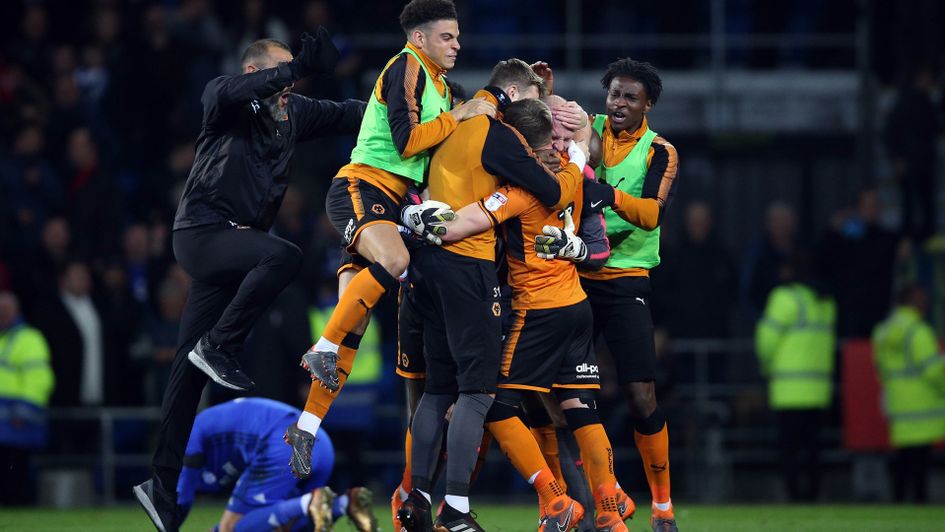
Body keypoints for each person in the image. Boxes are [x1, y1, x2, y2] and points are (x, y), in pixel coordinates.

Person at [133, 29, 366, 532]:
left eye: (292, 73)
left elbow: (351, 112)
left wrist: (416, 107)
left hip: (234, 249)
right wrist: (297, 66)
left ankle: (161, 484)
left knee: (186, 370)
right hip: (202, 234)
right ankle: (221, 345)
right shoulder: (226, 99)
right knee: (284, 256)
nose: (289, 84)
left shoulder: (293, 113)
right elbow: (228, 93)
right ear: (253, 72)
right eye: (279, 73)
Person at [426, 98, 653, 531]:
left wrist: (419, 219)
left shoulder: (518, 191)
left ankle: (554, 500)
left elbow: (465, 222)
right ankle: (609, 503)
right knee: (579, 405)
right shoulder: (573, 175)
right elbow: (589, 208)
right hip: (577, 308)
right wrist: (579, 142)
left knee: (491, 403)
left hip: (537, 311)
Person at [289, 0, 496, 476]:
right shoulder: (407, 66)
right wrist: (463, 113)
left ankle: (306, 425)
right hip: (364, 188)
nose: (457, 44)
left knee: (354, 327)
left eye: (458, 36)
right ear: (419, 38)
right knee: (397, 261)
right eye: (447, 36)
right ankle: (320, 347)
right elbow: (406, 141)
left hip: (391, 202)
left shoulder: (441, 85)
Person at [396, 61, 586, 532]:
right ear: (517, 93)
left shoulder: (456, 118)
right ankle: (456, 509)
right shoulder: (500, 136)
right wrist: (578, 156)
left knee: (436, 391)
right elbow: (550, 189)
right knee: (478, 393)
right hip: (468, 271)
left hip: (428, 266)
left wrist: (414, 220)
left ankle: (416, 499)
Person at [577, 58, 680, 532]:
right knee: (563, 396)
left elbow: (652, 214)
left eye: (630, 97)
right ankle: (606, 495)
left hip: (625, 281)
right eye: (614, 94)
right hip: (574, 279)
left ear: (648, 104)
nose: (618, 104)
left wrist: (607, 196)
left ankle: (662, 507)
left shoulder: (660, 151)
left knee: (641, 396)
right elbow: (544, 114)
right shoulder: (587, 128)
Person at [176, 397, 377, 532]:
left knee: (230, 527)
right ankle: (344, 504)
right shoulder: (212, 424)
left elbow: (182, 496)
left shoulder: (190, 432)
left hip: (284, 443)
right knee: (298, 521)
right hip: (321, 443)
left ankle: (309, 501)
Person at [755, 253, 836, 502]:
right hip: (818, 389)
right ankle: (812, 495)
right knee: (813, 449)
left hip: (788, 389)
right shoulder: (825, 302)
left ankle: (794, 496)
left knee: (789, 449)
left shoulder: (784, 298)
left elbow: (766, 340)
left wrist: (767, 368)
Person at [871, 284, 945, 503]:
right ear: (912, 300)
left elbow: (880, 368)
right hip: (922, 405)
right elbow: (933, 371)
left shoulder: (883, 331)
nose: (926, 302)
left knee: (903, 460)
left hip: (898, 403)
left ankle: (898, 501)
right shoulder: (918, 330)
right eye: (922, 298)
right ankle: (918, 503)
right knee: (920, 463)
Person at [0, 291, 54, 505]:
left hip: (17, 424)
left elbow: (38, 379)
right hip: (7, 425)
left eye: (5, 310)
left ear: (16, 311)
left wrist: (24, 411)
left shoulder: (29, 339)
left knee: (14, 481)